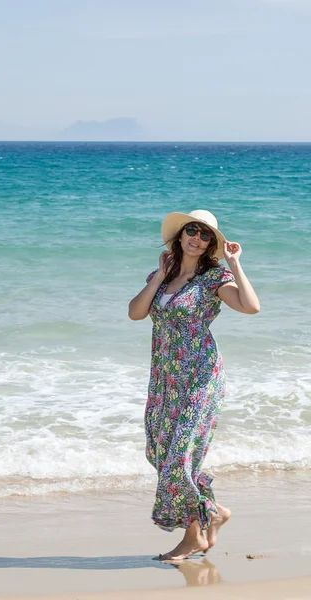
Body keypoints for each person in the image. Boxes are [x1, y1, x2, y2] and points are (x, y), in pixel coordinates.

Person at [128, 209, 260, 561]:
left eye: (205, 235)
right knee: (160, 451)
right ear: (180, 235)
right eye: (191, 230)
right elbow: (136, 313)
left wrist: (234, 264)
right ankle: (213, 514)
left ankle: (194, 538)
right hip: (164, 378)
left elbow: (251, 307)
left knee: (179, 458)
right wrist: (158, 277)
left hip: (200, 377)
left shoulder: (215, 278)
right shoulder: (163, 274)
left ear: (211, 244)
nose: (196, 238)